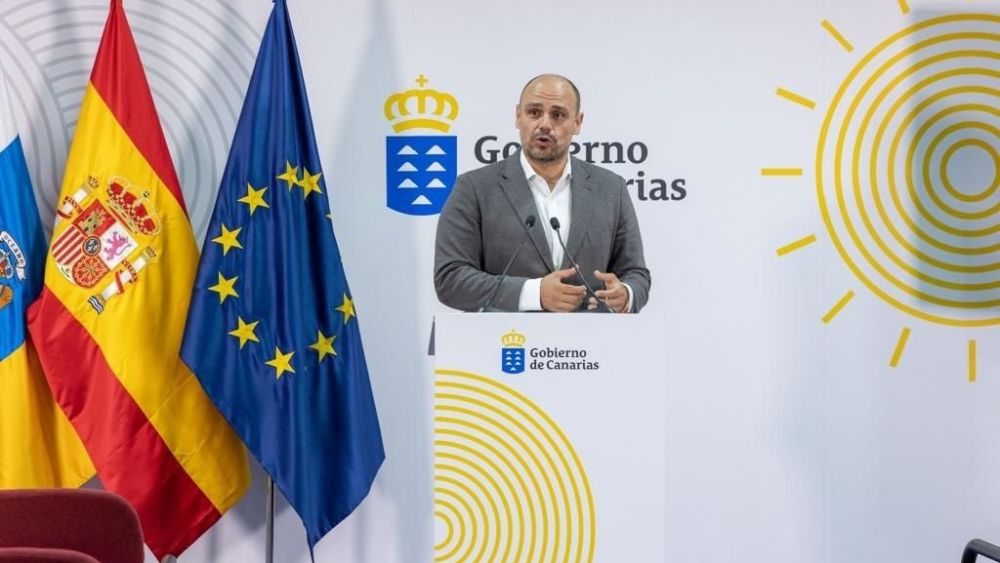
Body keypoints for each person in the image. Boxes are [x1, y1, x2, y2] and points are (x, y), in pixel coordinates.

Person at [434, 74, 650, 312]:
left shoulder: (611, 189)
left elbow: (636, 274)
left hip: (589, 344)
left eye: (558, 115)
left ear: (578, 122)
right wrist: (534, 293)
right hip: (503, 344)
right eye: (534, 113)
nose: (545, 124)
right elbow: (450, 279)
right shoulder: (474, 188)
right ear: (518, 116)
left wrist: (625, 295)